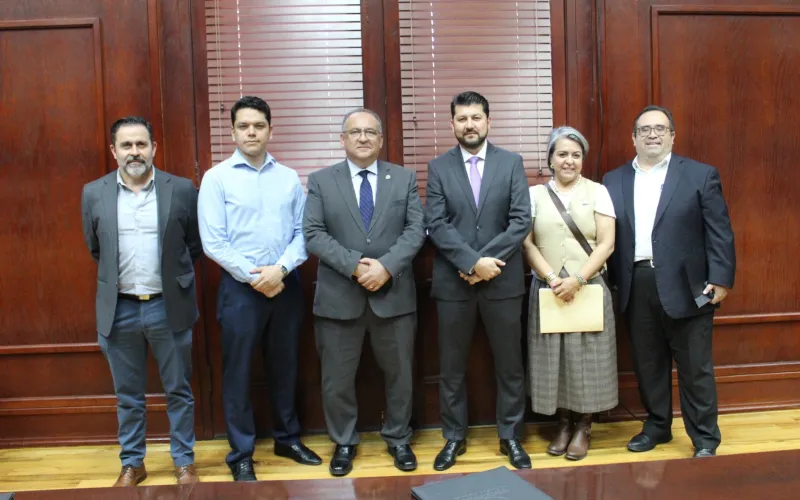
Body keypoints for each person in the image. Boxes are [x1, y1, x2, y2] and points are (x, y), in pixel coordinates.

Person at [198, 96, 321, 481]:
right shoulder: (216, 178)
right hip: (240, 290)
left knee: (286, 366)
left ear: (270, 129)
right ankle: (241, 454)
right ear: (233, 131)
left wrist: (279, 270)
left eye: (258, 125)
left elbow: (303, 233)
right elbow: (213, 242)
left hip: (285, 285)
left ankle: (287, 438)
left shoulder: (288, 177)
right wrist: (256, 277)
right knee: (237, 373)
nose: (251, 132)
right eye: (243, 126)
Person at [603, 105, 736, 458]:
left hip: (690, 287)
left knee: (695, 368)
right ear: (633, 138)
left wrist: (721, 278)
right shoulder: (613, 180)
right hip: (636, 283)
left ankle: (705, 438)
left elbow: (719, 231)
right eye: (645, 129)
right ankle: (658, 426)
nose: (652, 135)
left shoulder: (700, 175)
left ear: (672, 136)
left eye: (660, 129)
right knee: (648, 364)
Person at [303, 108, 426, 476]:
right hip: (339, 298)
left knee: (401, 375)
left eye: (371, 132)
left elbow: (415, 230)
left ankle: (399, 438)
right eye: (355, 132)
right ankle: (343, 442)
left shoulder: (403, 178)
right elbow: (313, 234)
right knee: (336, 379)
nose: (363, 138)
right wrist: (356, 266)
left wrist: (386, 267)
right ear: (342, 139)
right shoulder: (321, 180)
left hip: (394, 297)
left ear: (381, 139)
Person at [81, 116, 202, 486]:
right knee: (128, 395)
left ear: (154, 148)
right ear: (114, 151)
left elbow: (193, 245)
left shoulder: (181, 189)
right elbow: (95, 247)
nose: (135, 152)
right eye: (127, 145)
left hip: (169, 305)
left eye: (141, 144)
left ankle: (184, 462)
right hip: (119, 309)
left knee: (178, 390)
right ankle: (132, 463)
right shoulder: (94, 193)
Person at [424, 91, 532, 471]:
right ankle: (454, 437)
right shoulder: (438, 167)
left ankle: (511, 436)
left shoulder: (511, 163)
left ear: (488, 121)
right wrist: (471, 263)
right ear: (452, 123)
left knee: (510, 364)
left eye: (476, 117)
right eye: (462, 118)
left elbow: (521, 220)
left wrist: (486, 262)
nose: (469, 125)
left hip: (503, 281)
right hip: (454, 284)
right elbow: (435, 223)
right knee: (452, 366)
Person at [522, 126, 618, 461]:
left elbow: (606, 243)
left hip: (588, 286)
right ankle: (562, 424)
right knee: (555, 360)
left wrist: (577, 278)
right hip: (548, 289)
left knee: (588, 360)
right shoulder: (534, 194)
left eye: (576, 155)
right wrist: (551, 277)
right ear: (550, 158)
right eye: (562, 154)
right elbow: (527, 242)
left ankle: (584, 426)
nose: (569, 161)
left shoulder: (598, 192)